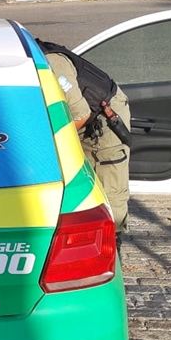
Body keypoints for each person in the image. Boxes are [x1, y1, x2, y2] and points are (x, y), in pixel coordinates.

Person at [37, 39, 131, 251]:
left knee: (108, 197)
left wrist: (48, 147)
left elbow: (80, 115)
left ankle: (111, 252)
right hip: (78, 119)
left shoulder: (52, 62)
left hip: (103, 122)